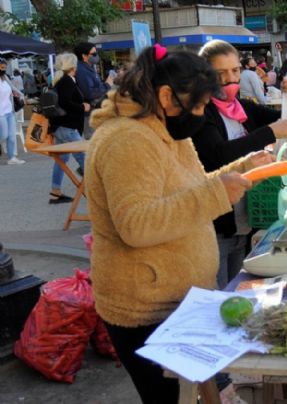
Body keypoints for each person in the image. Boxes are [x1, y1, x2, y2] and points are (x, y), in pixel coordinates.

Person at [86, 44, 271, 403]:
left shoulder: (168, 130)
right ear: (167, 95)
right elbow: (136, 224)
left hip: (181, 299)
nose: (201, 115)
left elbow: (196, 188)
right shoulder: (127, 139)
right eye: (198, 105)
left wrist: (243, 168)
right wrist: (217, 193)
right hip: (145, 308)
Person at [195, 39, 287, 288]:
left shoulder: (242, 108)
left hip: (245, 220)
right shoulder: (201, 113)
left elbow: (284, 119)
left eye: (234, 71)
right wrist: (270, 132)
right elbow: (217, 156)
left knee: (238, 288)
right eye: (220, 73)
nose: (229, 79)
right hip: (216, 224)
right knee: (219, 294)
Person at [48, 53, 88, 204]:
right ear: (72, 66)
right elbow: (65, 102)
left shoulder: (59, 79)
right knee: (84, 158)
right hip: (68, 127)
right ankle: (99, 192)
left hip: (60, 126)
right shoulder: (66, 81)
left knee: (62, 160)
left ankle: (55, 191)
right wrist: (82, 106)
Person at [74, 42, 113, 138]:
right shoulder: (82, 70)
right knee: (93, 141)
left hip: (95, 111)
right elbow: (89, 93)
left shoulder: (89, 68)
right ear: (84, 56)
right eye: (94, 54)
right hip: (90, 113)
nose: (96, 56)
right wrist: (107, 85)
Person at [0, 58, 24, 165]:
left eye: (4, 66)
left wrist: (21, 95)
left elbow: (13, 88)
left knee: (11, 135)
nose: (4, 69)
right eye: (2, 66)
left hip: (9, 111)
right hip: (0, 113)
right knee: (4, 135)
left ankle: (12, 157)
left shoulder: (5, 78)